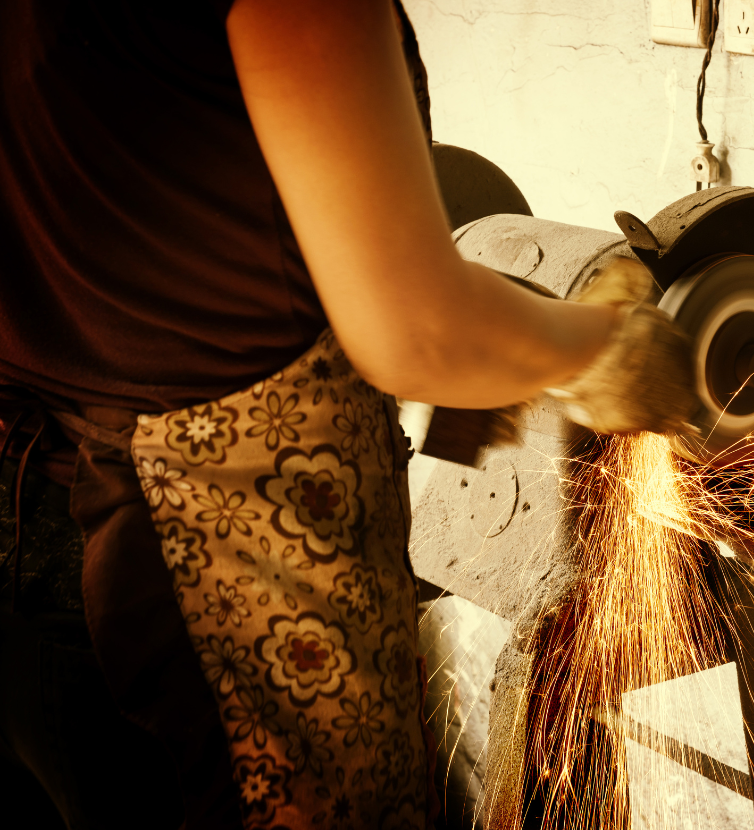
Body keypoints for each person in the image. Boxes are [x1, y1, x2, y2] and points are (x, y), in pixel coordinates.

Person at [0, 1, 695, 827]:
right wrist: (604, 348)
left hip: (28, 534)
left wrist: (494, 328)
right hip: (213, 578)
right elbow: (416, 332)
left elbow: (171, 235)